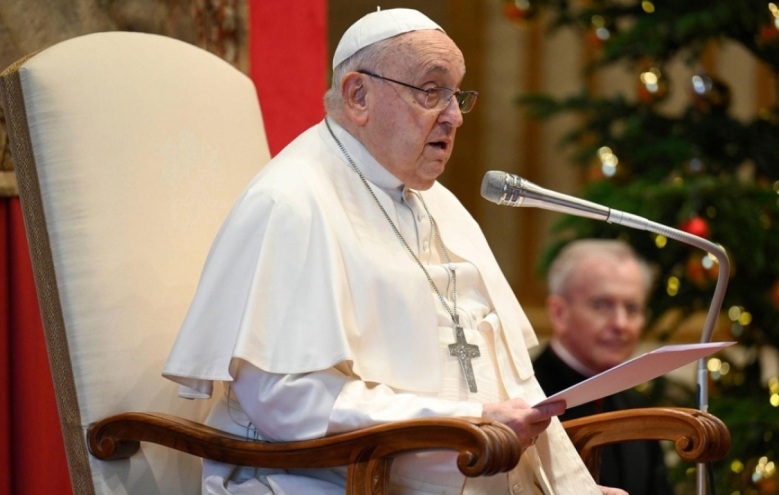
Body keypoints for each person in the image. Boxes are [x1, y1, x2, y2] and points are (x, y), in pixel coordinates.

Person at [163, 8, 627, 495]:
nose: (454, 116)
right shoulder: (291, 202)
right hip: (319, 480)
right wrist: (468, 421)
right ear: (358, 96)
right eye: (431, 91)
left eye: (457, 95)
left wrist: (574, 489)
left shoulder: (439, 205)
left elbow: (510, 378)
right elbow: (286, 401)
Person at [532, 239, 673, 495]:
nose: (621, 324)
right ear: (559, 313)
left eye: (632, 308)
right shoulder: (525, 398)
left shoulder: (639, 408)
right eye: (601, 305)